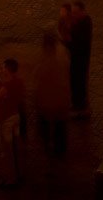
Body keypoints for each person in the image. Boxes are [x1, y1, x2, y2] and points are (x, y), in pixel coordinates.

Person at [0, 57, 26, 187]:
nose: (2, 70)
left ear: (8, 69)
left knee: (7, 151)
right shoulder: (19, 82)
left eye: (3, 68)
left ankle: (11, 180)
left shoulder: (7, 86)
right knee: (16, 148)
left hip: (6, 120)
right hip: (16, 117)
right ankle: (20, 174)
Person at [32, 30, 70, 160]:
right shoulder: (62, 53)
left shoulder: (43, 57)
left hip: (46, 99)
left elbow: (37, 74)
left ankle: (48, 147)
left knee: (45, 125)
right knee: (60, 126)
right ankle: (60, 150)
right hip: (60, 98)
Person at [61, 0, 92, 116]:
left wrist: (67, 41)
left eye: (75, 12)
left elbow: (78, 44)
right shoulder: (80, 21)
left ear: (82, 12)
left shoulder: (85, 24)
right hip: (76, 58)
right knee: (75, 82)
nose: (72, 15)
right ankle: (77, 104)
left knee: (79, 83)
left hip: (80, 60)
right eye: (72, 12)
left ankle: (80, 107)